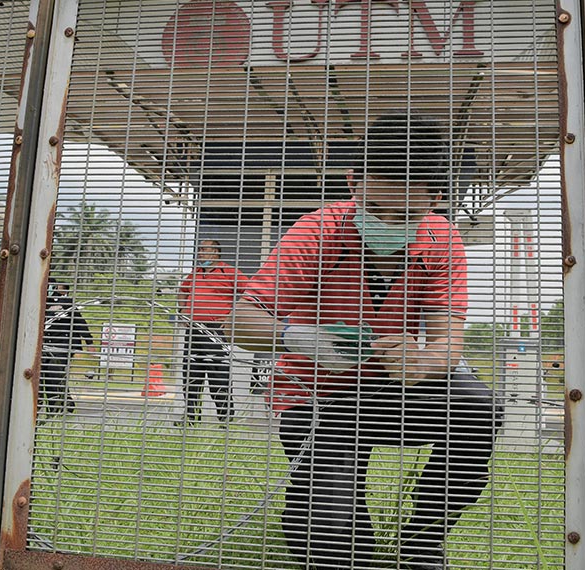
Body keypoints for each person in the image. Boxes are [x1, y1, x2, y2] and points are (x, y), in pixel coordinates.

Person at [225, 111, 497, 570]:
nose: (388, 224)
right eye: (375, 209)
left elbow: (449, 341)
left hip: (393, 391)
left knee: (478, 408)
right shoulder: (317, 230)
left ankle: (422, 542)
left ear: (437, 198)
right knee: (338, 546)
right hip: (316, 395)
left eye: (407, 214)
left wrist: (425, 362)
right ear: (353, 182)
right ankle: (324, 519)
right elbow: (240, 320)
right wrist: (299, 337)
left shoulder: (442, 239)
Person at [179, 238, 249, 426]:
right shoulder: (195, 273)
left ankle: (225, 417)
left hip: (216, 331)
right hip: (194, 329)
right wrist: (183, 311)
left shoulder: (229, 272)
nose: (200, 253)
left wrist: (231, 317)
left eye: (204, 249)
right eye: (199, 249)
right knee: (192, 372)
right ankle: (190, 416)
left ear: (216, 252)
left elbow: (249, 292)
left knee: (218, 373)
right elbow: (183, 291)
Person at [41, 279, 94, 418]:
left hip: (63, 345)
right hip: (47, 345)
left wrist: (89, 341)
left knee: (55, 373)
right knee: (47, 375)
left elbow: (79, 322)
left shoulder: (66, 303)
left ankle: (64, 406)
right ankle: (55, 407)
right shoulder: (42, 303)